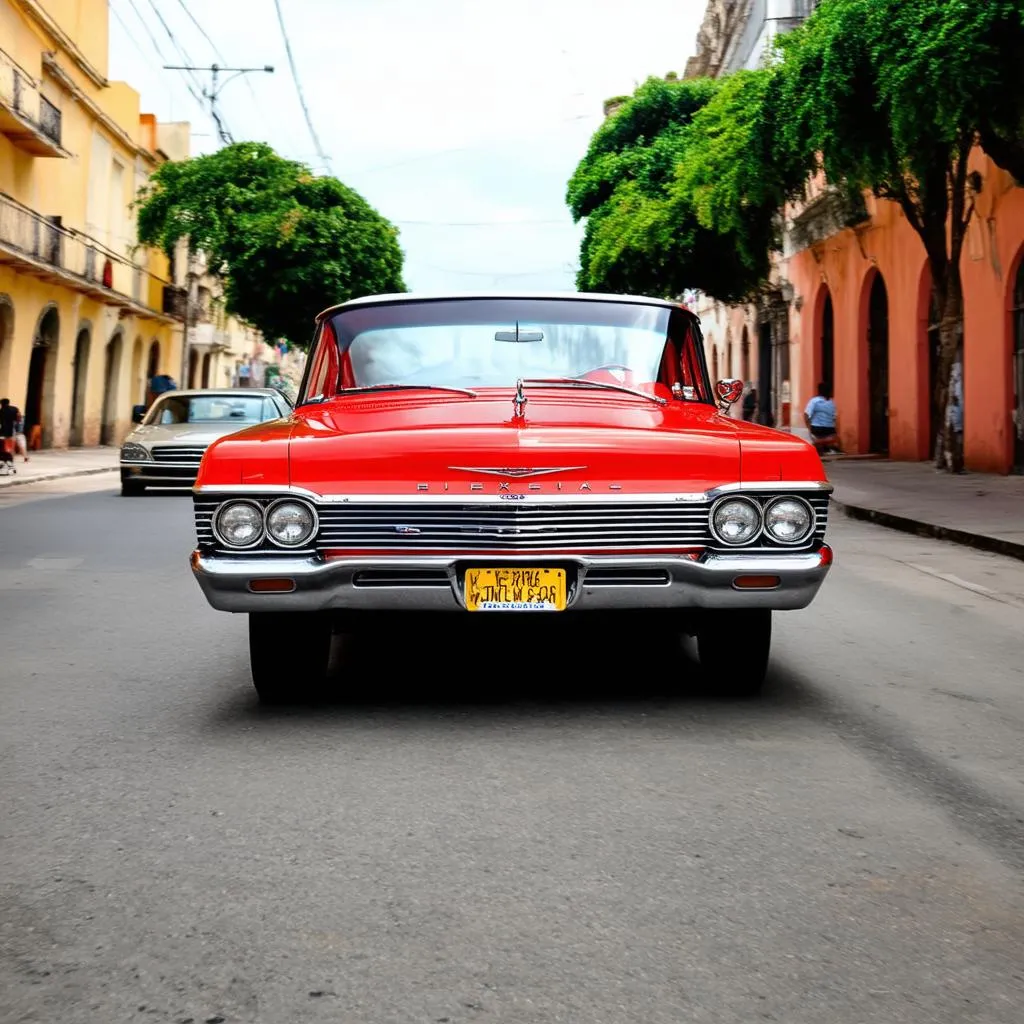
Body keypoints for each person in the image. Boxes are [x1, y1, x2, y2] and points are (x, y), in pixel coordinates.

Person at [804, 382, 841, 455]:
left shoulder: (814, 401)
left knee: (818, 441)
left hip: (817, 428)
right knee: (835, 440)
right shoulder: (831, 402)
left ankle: (818, 444)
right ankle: (825, 446)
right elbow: (834, 418)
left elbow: (806, 415)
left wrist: (809, 427)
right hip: (829, 429)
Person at [0, 397, 20, 475]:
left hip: (2, 433)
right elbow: (19, 418)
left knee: (2, 449)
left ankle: (7, 464)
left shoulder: (1, 411)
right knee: (8, 449)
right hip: (11, 432)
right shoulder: (15, 409)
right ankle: (8, 463)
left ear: (2, 403)